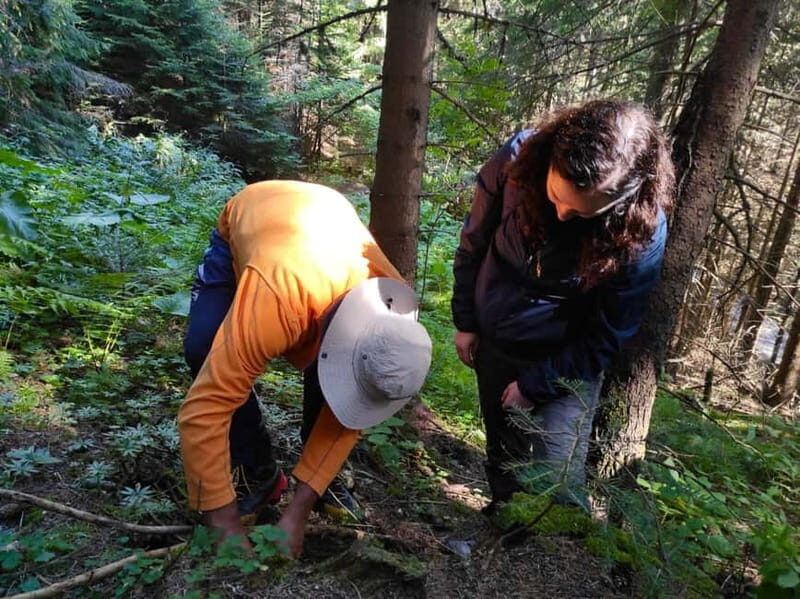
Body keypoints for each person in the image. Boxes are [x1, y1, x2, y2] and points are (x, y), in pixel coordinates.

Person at [179, 180, 432, 557]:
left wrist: (298, 512)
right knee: (203, 348)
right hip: (256, 218)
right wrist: (223, 522)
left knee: (344, 383)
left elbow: (350, 414)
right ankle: (259, 472)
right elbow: (204, 410)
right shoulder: (276, 301)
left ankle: (318, 482)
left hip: (324, 222)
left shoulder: (392, 313)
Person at [451, 99, 675, 512]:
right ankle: (501, 526)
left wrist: (537, 385)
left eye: (582, 211)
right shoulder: (517, 160)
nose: (562, 212)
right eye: (557, 195)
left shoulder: (641, 232)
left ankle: (554, 556)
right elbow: (473, 243)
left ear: (625, 196)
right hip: (496, 337)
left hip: (568, 360)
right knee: (504, 456)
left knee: (558, 481)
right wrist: (465, 319)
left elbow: (611, 331)